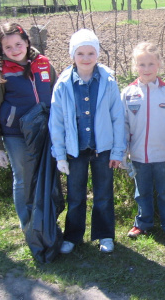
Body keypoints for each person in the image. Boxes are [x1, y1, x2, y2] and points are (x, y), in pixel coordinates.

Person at [49, 28, 125, 254]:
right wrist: (60, 155)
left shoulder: (108, 81)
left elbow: (117, 117)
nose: (85, 58)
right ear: (73, 55)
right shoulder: (63, 84)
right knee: (75, 195)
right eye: (80, 53)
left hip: (103, 149)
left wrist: (117, 152)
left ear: (97, 54)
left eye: (90, 53)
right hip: (75, 151)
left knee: (103, 194)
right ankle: (73, 236)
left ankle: (105, 234)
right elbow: (57, 122)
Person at [0, 22, 57, 229]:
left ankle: (48, 222)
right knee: (23, 179)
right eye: (8, 47)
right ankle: (28, 226)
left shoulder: (44, 65)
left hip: (45, 132)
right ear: (2, 50)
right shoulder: (0, 74)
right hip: (15, 135)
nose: (14, 50)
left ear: (27, 42)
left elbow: (59, 97)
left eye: (18, 44)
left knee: (46, 176)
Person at [121, 42, 165, 239]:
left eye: (151, 64)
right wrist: (123, 150)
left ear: (159, 64)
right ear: (135, 66)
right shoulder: (128, 93)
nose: (146, 69)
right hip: (138, 155)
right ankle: (143, 222)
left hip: (164, 156)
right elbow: (123, 125)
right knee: (142, 192)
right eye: (141, 65)